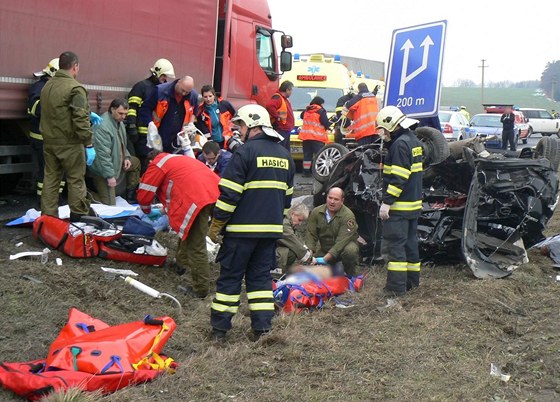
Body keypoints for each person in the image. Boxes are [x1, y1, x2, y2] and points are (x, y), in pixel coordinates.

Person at [207, 104, 295, 341]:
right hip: (269, 234)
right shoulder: (285, 156)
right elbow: (286, 200)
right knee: (260, 282)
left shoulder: (244, 153)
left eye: (242, 125)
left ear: (254, 125)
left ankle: (219, 331)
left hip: (240, 234)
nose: (239, 130)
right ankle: (262, 329)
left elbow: (229, 195)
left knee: (230, 280)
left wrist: (217, 224)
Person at [137, 150, 220, 298]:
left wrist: (147, 210)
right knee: (187, 229)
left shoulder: (158, 164)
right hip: (212, 191)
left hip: (196, 197)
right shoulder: (177, 159)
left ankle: (200, 289)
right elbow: (179, 184)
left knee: (196, 244)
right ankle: (181, 264)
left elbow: (145, 191)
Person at [40, 51, 96, 221]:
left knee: (50, 179)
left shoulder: (47, 86)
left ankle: (48, 218)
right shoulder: (75, 88)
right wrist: (88, 144)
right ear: (75, 66)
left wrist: (88, 113)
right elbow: (79, 119)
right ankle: (79, 216)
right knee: (75, 179)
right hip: (70, 144)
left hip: (49, 142)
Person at [376, 105, 423, 297]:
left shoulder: (399, 145)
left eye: (383, 129)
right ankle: (412, 283)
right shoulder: (413, 141)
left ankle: (395, 289)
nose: (382, 133)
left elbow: (398, 178)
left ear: (391, 125)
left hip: (399, 207)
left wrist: (387, 202)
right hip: (413, 205)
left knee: (396, 248)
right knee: (411, 244)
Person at [88, 98, 141, 205]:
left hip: (116, 161)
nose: (123, 117)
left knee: (136, 163)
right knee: (109, 205)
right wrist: (109, 176)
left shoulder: (118, 122)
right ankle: (86, 195)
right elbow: (102, 155)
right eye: (120, 113)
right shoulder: (103, 127)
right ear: (112, 109)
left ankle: (130, 194)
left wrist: (126, 157)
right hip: (101, 170)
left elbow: (121, 143)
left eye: (125, 114)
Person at [125, 58, 175, 171]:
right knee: (143, 164)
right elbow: (132, 108)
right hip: (141, 135)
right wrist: (132, 127)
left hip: (156, 135)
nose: (165, 79)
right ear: (157, 72)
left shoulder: (163, 90)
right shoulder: (141, 87)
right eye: (164, 76)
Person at [27, 58, 66, 198]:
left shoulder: (56, 88)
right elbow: (35, 108)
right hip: (42, 138)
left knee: (60, 170)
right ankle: (43, 198)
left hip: (55, 138)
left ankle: (58, 197)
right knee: (47, 170)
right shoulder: (39, 87)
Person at [305, 187, 360, 277]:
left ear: (342, 201)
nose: (332, 202)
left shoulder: (348, 216)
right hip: (325, 249)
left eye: (336, 199)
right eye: (330, 198)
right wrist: (309, 255)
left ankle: (349, 274)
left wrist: (323, 260)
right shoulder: (316, 212)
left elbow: (340, 243)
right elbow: (311, 235)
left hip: (343, 248)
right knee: (309, 269)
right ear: (326, 197)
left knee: (350, 251)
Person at [139, 75, 199, 154]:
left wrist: (191, 123)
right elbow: (145, 108)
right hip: (159, 133)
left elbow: (194, 112)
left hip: (179, 138)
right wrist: (150, 123)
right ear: (178, 82)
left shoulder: (193, 96)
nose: (184, 94)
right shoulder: (160, 91)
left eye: (187, 92)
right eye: (182, 90)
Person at [276, 203, 313, 273]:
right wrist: (310, 259)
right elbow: (295, 244)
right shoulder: (285, 225)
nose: (300, 223)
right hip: (272, 254)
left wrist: (307, 249)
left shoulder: (289, 223)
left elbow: (298, 240)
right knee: (290, 253)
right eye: (299, 220)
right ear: (293, 213)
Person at [298, 96, 331, 177]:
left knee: (307, 155)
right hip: (317, 137)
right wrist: (329, 124)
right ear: (320, 103)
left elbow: (302, 116)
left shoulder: (306, 110)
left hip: (306, 137)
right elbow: (325, 122)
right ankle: (319, 172)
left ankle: (306, 172)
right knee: (319, 155)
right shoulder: (320, 111)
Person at [195, 85, 236, 149]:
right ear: (202, 97)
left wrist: (232, 130)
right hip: (213, 143)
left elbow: (235, 117)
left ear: (214, 95)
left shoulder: (224, 104)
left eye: (210, 96)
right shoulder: (201, 111)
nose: (208, 99)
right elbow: (203, 129)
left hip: (227, 139)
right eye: (205, 97)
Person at [266, 80, 294, 151]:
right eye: (291, 90)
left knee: (285, 151)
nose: (291, 93)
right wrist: (277, 117)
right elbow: (269, 106)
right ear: (287, 90)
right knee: (281, 150)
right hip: (281, 129)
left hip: (285, 129)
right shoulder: (278, 98)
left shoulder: (283, 99)